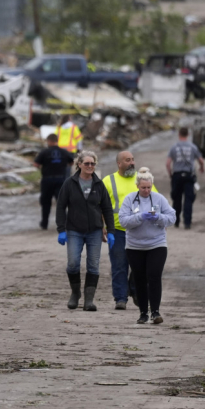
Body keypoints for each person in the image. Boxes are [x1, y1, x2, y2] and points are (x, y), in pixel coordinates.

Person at [56, 150, 114, 311]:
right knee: (73, 263)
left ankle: (89, 300)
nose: (90, 166)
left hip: (94, 231)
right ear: (79, 164)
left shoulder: (99, 185)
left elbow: (107, 208)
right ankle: (75, 294)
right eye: (87, 163)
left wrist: (110, 231)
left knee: (93, 265)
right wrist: (61, 229)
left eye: (92, 164)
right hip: (74, 229)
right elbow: (61, 207)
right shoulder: (69, 183)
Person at [118, 169, 176, 324]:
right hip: (135, 246)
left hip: (157, 244)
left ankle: (155, 312)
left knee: (154, 276)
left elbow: (172, 217)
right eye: (143, 187)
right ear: (138, 186)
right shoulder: (130, 199)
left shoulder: (159, 199)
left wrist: (158, 218)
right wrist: (139, 217)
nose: (146, 190)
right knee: (140, 279)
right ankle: (143, 312)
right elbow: (123, 221)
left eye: (149, 187)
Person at [105, 150, 140, 310]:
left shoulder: (142, 178)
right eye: (128, 160)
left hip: (139, 231)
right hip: (117, 231)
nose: (132, 162)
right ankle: (120, 298)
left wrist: (156, 220)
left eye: (132, 159)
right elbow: (100, 206)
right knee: (119, 265)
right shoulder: (108, 181)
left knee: (140, 265)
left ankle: (135, 290)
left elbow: (156, 201)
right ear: (119, 163)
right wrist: (102, 226)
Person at [165, 127, 204, 229]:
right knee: (188, 199)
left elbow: (168, 163)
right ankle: (187, 222)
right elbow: (201, 160)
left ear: (179, 134)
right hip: (189, 176)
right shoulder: (193, 147)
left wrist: (170, 174)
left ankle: (176, 221)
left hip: (177, 176)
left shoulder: (174, 147)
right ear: (188, 134)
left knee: (176, 199)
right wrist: (201, 168)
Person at [34, 133, 74, 230]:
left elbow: (36, 164)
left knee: (46, 202)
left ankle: (44, 223)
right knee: (61, 203)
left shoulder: (44, 152)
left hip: (47, 180)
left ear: (49, 141)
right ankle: (63, 224)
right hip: (61, 179)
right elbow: (71, 162)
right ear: (57, 141)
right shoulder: (64, 152)